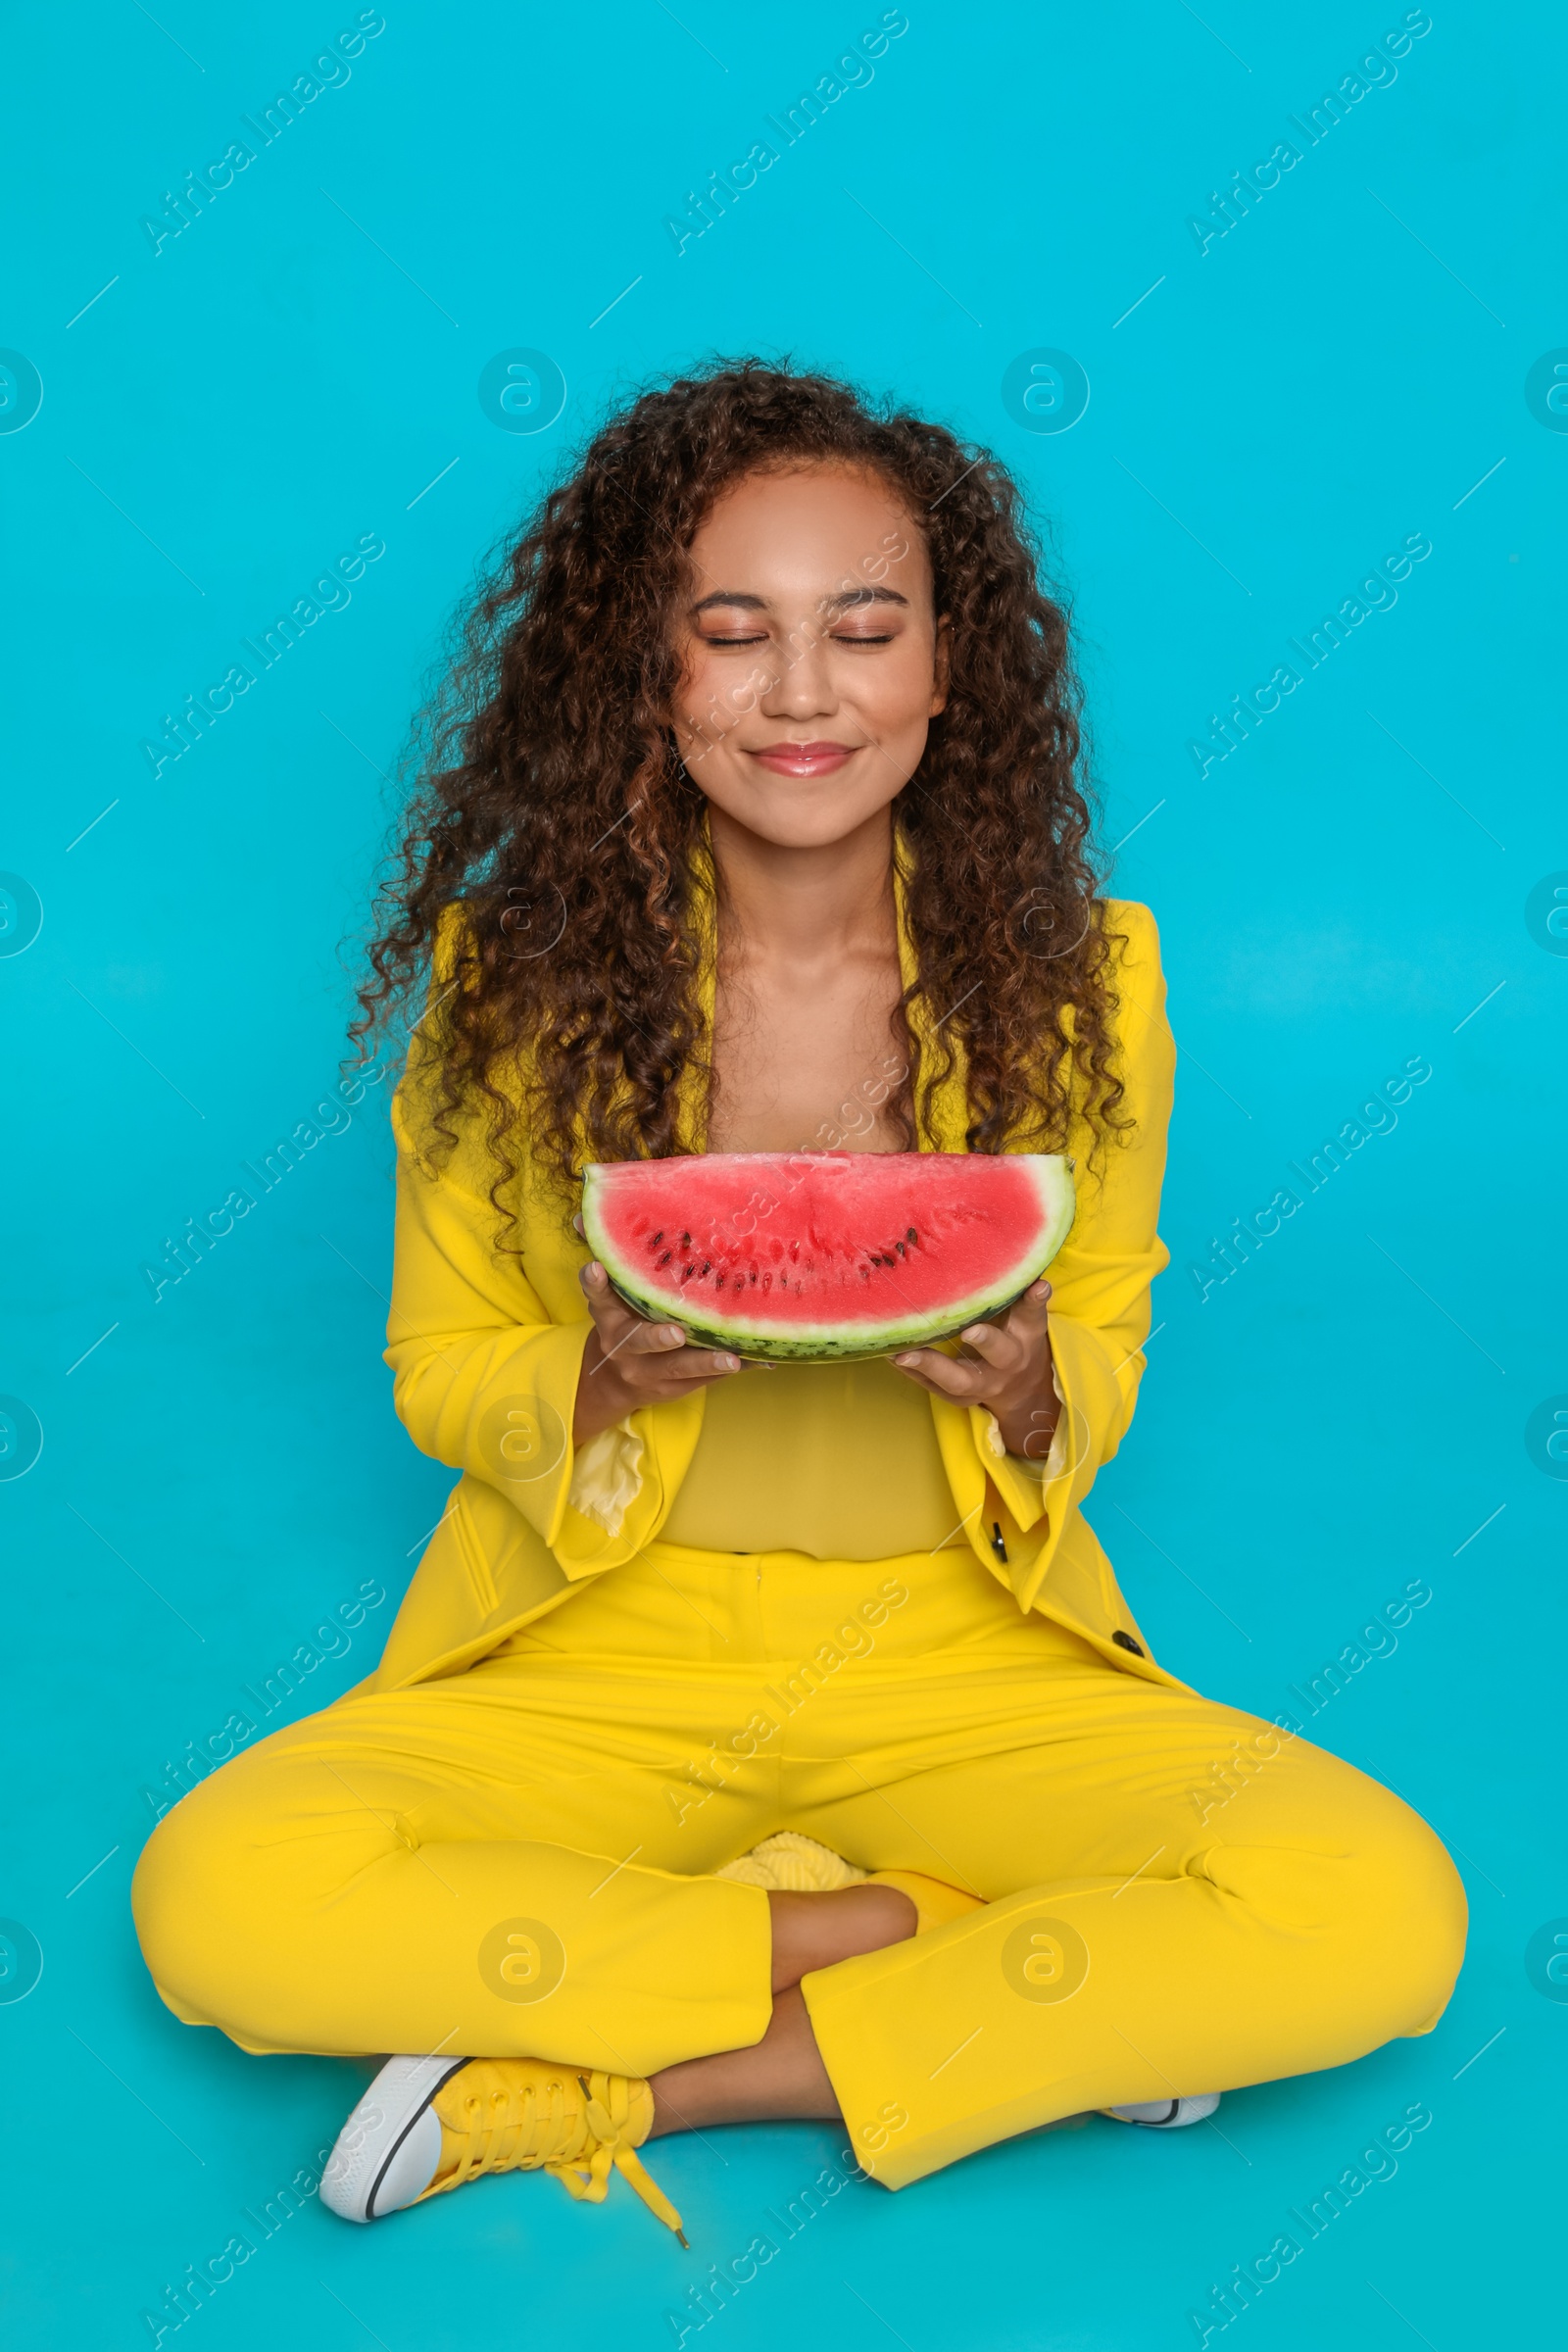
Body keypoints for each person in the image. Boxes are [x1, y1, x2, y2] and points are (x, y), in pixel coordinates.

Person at [131, 362, 1466, 2239]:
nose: (803, 691)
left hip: (955, 1656)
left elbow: (1105, 1353)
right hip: (600, 1648)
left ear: (947, 667)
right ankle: (942, 1947)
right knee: (218, 1897)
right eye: (731, 632)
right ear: (649, 674)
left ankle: (608, 2081)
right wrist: (580, 1382)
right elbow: (439, 1359)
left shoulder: (1089, 982)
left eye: (865, 626)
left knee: (1384, 1907)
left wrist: (1025, 1389)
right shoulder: (505, 985)